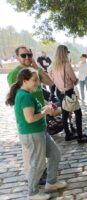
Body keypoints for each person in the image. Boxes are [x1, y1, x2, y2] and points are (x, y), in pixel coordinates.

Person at [5, 68, 66, 200]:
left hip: (39, 131)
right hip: (32, 134)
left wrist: (47, 108)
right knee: (37, 164)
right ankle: (32, 193)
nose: (37, 83)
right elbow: (30, 118)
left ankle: (51, 182)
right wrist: (44, 112)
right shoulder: (24, 96)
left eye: (37, 80)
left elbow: (35, 112)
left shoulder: (27, 93)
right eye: (34, 80)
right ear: (24, 81)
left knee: (55, 154)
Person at [7, 46, 55, 185]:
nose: (27, 57)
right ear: (17, 57)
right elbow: (17, 97)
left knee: (40, 149)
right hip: (29, 118)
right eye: (24, 55)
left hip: (40, 114)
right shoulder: (15, 73)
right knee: (31, 152)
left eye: (29, 54)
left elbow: (50, 82)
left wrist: (37, 67)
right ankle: (33, 180)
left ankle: (41, 173)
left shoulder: (34, 71)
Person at [49, 45, 87, 143]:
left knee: (65, 114)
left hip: (59, 91)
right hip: (68, 92)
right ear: (64, 53)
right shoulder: (66, 64)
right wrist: (75, 81)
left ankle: (68, 134)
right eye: (67, 53)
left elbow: (51, 79)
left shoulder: (52, 66)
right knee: (78, 113)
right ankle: (80, 137)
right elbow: (74, 79)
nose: (67, 54)